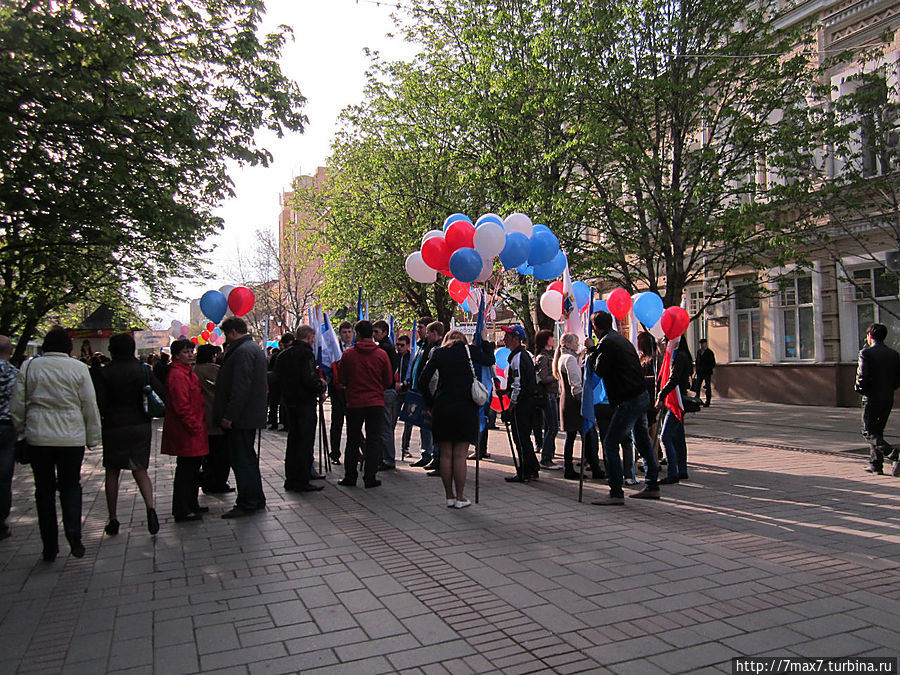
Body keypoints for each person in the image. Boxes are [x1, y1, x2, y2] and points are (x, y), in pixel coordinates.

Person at [11, 326, 101, 561]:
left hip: (38, 437)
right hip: (71, 438)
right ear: (69, 347)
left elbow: (17, 405)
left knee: (44, 491)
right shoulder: (79, 368)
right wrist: (93, 438)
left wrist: (22, 431)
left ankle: (49, 544)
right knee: (71, 485)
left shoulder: (29, 367)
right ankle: (74, 533)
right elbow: (89, 405)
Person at [93, 332, 164, 536]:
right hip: (140, 424)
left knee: (112, 471)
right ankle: (150, 508)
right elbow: (160, 392)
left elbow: (100, 402)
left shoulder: (104, 373)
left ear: (111, 350)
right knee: (140, 469)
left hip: (114, 425)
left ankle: (113, 517)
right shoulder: (143, 370)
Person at [586, 311, 660, 504]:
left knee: (610, 443)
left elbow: (600, 370)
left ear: (595, 327)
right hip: (639, 395)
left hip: (628, 399)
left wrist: (592, 351)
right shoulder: (620, 339)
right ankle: (652, 485)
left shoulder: (607, 343)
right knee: (642, 439)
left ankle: (616, 492)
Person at [419, 330, 495, 508]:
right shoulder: (470, 351)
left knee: (446, 455)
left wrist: (431, 403)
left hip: (443, 407)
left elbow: (423, 380)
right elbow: (490, 360)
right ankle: (461, 497)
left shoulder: (439, 353)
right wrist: (485, 341)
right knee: (460, 455)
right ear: (463, 340)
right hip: (465, 407)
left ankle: (449, 496)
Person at [213, 317, 268, 518]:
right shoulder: (252, 348)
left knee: (241, 459)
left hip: (242, 417)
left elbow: (240, 387)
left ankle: (248, 501)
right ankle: (255, 498)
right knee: (247, 458)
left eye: (227, 334)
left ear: (233, 332)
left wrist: (229, 415)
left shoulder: (243, 352)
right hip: (248, 414)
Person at [335, 320, 393, 488]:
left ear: (358, 334)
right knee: (374, 439)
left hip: (355, 402)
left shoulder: (348, 355)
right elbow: (388, 380)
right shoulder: (381, 354)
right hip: (375, 401)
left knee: (352, 440)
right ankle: (370, 476)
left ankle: (350, 476)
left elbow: (343, 379)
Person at [161, 339, 209, 522]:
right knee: (186, 471)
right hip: (187, 430)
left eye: (191, 351)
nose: (190, 354)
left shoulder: (188, 373)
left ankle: (191, 503)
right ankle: (183, 508)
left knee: (193, 469)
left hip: (194, 427)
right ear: (176, 355)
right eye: (186, 352)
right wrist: (194, 426)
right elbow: (182, 406)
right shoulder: (178, 376)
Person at [277, 325, 326, 492]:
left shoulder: (283, 355)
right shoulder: (306, 354)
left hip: (289, 402)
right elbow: (308, 379)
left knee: (293, 441)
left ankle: (291, 477)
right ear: (309, 336)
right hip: (305, 402)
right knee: (304, 441)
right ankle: (302, 478)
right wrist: (320, 385)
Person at [554, 333, 604, 480]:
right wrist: (583, 401)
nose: (577, 344)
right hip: (574, 403)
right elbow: (575, 384)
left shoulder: (564, 358)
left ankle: (573, 467)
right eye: (575, 342)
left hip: (567, 401)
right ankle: (592, 468)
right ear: (568, 344)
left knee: (573, 437)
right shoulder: (569, 359)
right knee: (587, 436)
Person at [498, 325, 541, 483]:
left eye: (507, 335)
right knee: (524, 437)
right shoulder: (522, 355)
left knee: (520, 438)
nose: (504, 338)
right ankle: (532, 468)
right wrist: (505, 391)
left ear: (515, 338)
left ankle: (524, 470)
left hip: (523, 403)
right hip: (528, 401)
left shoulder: (518, 357)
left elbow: (519, 384)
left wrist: (512, 405)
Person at [856, 323, 900, 475]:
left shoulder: (866, 353)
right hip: (887, 397)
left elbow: (862, 377)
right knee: (878, 432)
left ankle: (895, 455)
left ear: (870, 336)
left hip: (871, 397)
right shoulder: (893, 354)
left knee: (868, 431)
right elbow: (898, 378)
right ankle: (876, 464)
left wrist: (860, 389)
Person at [195, 344, 233, 494]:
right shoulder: (214, 370)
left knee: (208, 456)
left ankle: (208, 481)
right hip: (216, 416)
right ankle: (218, 483)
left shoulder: (194, 370)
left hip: (203, 416)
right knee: (221, 455)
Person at [657, 335, 693, 484]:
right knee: (678, 436)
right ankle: (682, 470)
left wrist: (661, 394)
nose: (664, 343)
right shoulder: (675, 356)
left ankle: (673, 472)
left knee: (666, 437)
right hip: (675, 398)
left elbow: (674, 379)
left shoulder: (679, 357)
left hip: (676, 400)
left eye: (666, 340)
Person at [409, 320, 444, 474]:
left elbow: (433, 376)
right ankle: (426, 454)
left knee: (434, 427)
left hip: (431, 393)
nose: (419, 331)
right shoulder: (422, 346)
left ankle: (436, 458)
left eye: (422, 329)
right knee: (424, 425)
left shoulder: (436, 348)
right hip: (421, 391)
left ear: (433, 332)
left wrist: (430, 396)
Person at [372, 320, 399, 470]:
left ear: (384, 332)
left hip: (385, 389)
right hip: (385, 389)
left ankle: (388, 458)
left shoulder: (385, 349)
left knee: (384, 425)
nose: (374, 335)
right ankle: (384, 456)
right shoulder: (384, 347)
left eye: (376, 332)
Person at [328, 321, 355, 464]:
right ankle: (335, 454)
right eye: (344, 332)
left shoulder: (356, 348)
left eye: (349, 331)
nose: (347, 335)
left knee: (353, 424)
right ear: (340, 333)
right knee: (336, 424)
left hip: (352, 392)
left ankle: (354, 453)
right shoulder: (334, 347)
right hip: (337, 392)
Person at [534, 329, 561, 470]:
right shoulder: (543, 358)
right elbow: (544, 378)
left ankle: (549, 453)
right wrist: (557, 376)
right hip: (548, 394)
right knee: (552, 428)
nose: (553, 339)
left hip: (552, 394)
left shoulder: (549, 355)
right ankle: (546, 458)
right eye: (551, 337)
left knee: (551, 427)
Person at [0, 336, 18, 541]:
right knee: (4, 477)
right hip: (6, 426)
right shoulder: (14, 374)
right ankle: (1, 523)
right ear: (11, 352)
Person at [394, 335, 413, 460]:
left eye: (402, 345)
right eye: (398, 345)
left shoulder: (411, 358)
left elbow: (413, 374)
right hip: (396, 392)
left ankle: (405, 447)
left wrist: (404, 384)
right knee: (392, 419)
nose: (399, 347)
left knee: (408, 421)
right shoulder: (394, 357)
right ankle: (388, 448)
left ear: (407, 346)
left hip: (407, 392)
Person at [692, 338, 716, 407]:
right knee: (697, 386)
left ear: (705, 344)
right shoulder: (699, 352)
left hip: (706, 372)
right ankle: (697, 400)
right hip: (699, 372)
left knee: (707, 386)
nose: (701, 345)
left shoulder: (709, 352)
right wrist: (696, 369)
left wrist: (707, 368)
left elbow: (713, 363)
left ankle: (707, 401)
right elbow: (697, 361)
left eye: (702, 343)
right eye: (700, 344)